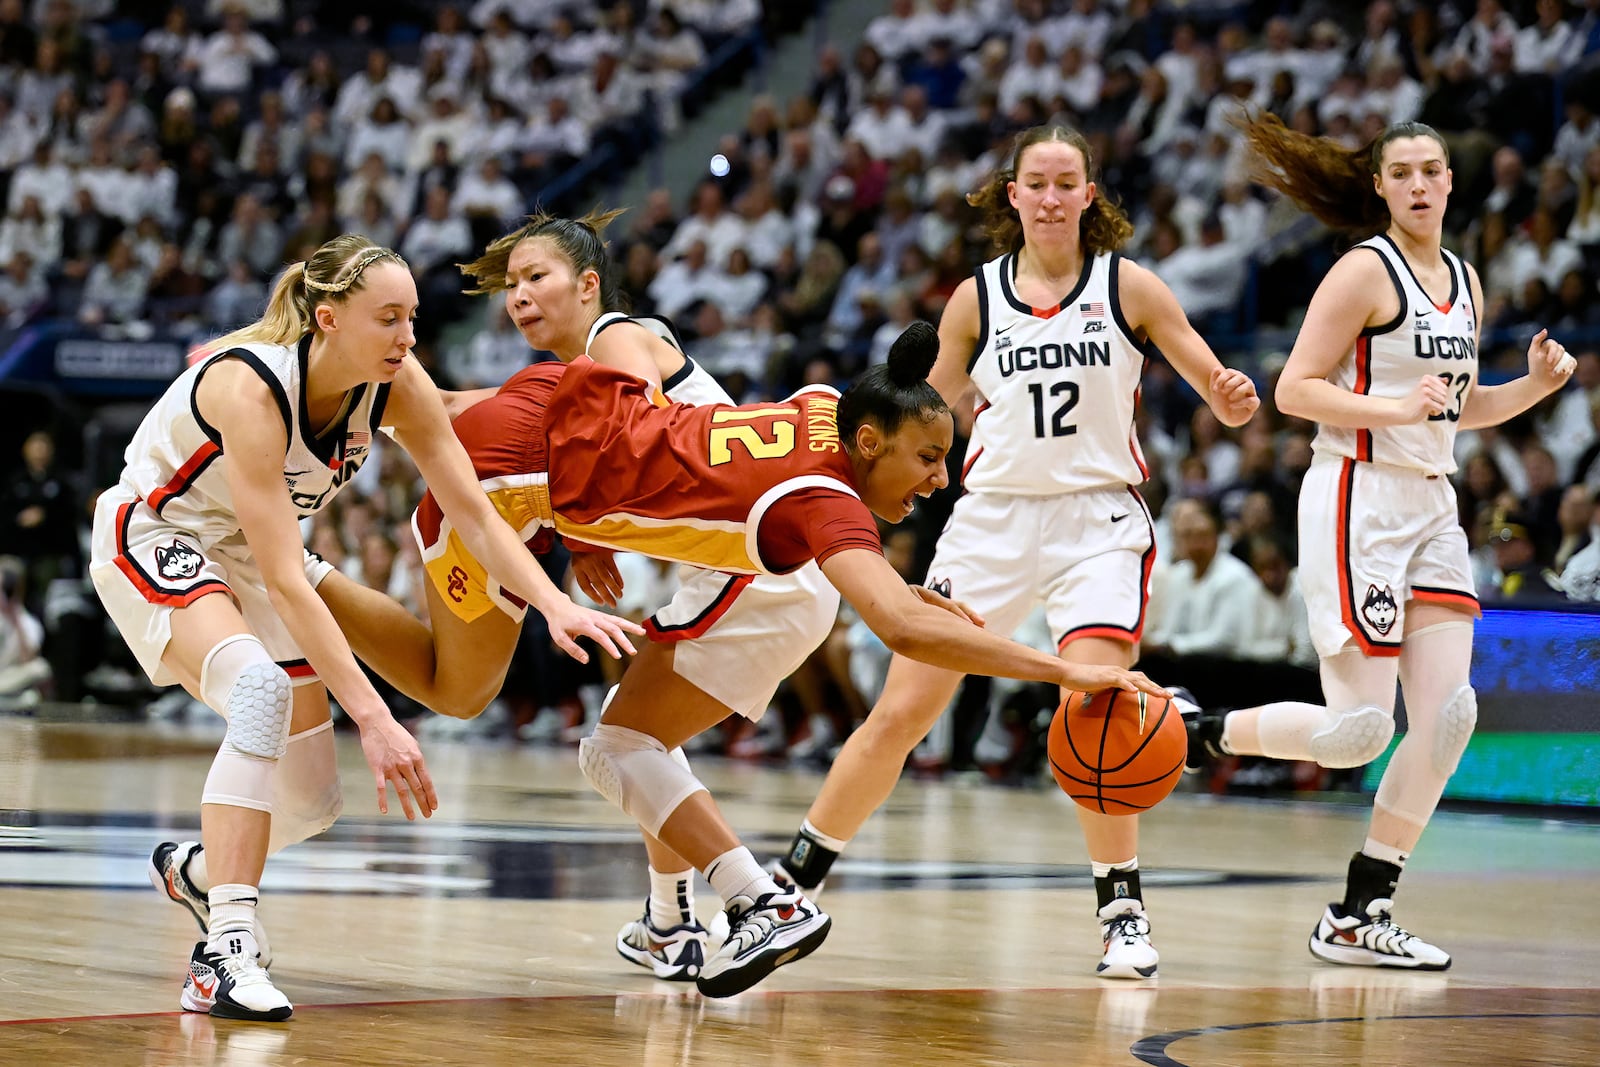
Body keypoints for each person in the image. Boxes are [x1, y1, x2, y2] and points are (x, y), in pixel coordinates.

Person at [347, 311, 1169, 998]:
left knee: (620, 741)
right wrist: (1067, 668)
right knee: (478, 697)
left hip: (551, 416)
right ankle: (297, 573)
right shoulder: (827, 497)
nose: (940, 479)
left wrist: (909, 594)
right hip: (509, 476)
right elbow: (900, 629)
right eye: (928, 458)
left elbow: (866, 578)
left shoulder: (822, 406)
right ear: (871, 439)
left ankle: (723, 907)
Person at [90, 235, 640, 1023]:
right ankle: (224, 951)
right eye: (388, 318)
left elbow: (477, 517)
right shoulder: (251, 388)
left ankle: (203, 874)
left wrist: (555, 604)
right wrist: (375, 717)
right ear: (328, 319)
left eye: (412, 318)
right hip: (156, 534)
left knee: (311, 801)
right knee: (257, 689)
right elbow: (287, 576)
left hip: (251, 552)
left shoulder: (397, 381)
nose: (407, 337)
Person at [762, 124, 1259, 981]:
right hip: (990, 517)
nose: (1054, 196)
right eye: (1039, 182)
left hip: (1096, 517)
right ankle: (791, 885)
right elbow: (935, 409)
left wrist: (1229, 393)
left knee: (1099, 708)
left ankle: (1122, 909)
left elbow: (1209, 379)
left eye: (1070, 181)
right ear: (1015, 195)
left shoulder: (1129, 286)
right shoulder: (975, 299)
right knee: (902, 711)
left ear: (1089, 195)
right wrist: (887, 409)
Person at [311, 210, 842, 984]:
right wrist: (586, 535)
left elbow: (639, 435)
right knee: (650, 739)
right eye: (515, 283)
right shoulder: (579, 371)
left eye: (539, 278)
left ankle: (761, 900)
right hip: (764, 568)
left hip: (750, 567)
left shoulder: (617, 340)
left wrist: (578, 525)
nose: (520, 296)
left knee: (614, 749)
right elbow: (500, 419)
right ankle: (669, 922)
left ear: (589, 285)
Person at [1187, 115, 1576, 970]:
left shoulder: (1467, 281)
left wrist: (1532, 389)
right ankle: (1199, 731)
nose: (1418, 184)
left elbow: (1455, 405)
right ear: (1380, 186)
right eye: (1400, 172)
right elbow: (1294, 388)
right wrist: (1392, 411)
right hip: (1356, 496)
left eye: (1431, 169)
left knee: (1449, 718)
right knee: (1359, 730)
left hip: (1433, 504)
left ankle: (1361, 910)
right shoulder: (1363, 270)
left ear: (1448, 180)